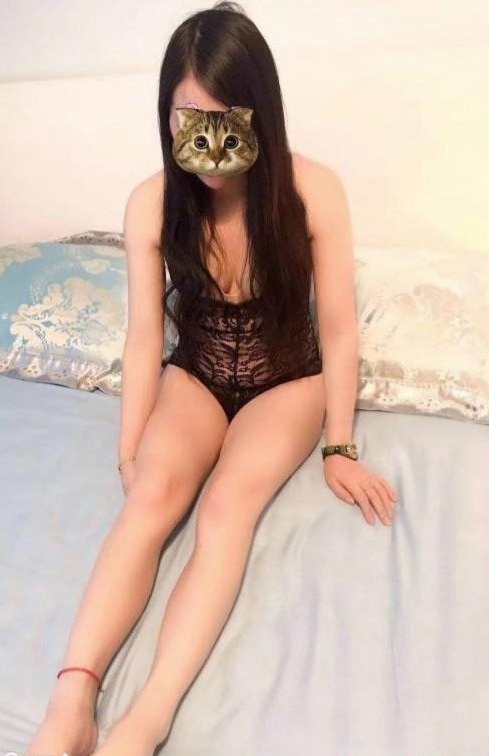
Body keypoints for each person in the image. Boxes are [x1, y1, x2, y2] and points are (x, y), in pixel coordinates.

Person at [26, 3, 397, 755]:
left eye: (226, 116)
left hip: (284, 377)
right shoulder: (151, 202)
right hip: (196, 371)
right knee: (150, 499)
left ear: (261, 111)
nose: (207, 140)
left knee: (226, 508)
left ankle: (147, 719)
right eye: (186, 115)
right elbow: (143, 338)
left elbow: (338, 327)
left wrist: (339, 445)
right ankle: (70, 706)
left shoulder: (312, 189)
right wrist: (129, 451)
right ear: (166, 115)